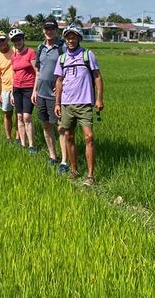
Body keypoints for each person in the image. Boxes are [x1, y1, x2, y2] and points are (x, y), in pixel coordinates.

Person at [54, 25, 104, 185]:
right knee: (69, 136)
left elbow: (97, 77)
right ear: (65, 39)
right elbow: (59, 81)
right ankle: (74, 171)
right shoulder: (62, 58)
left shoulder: (87, 55)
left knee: (89, 137)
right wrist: (57, 102)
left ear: (79, 39)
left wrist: (99, 99)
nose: (70, 40)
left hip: (84, 103)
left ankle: (90, 176)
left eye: (74, 37)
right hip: (67, 104)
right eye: (68, 37)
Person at [32, 18, 67, 168]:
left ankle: (64, 161)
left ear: (56, 31)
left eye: (52, 29)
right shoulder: (40, 48)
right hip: (41, 94)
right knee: (46, 125)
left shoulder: (62, 48)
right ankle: (53, 155)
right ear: (43, 30)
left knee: (60, 127)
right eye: (46, 29)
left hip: (56, 95)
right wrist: (35, 90)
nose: (49, 31)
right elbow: (38, 72)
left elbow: (70, 69)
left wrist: (63, 85)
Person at [9, 28, 38, 152]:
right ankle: (22, 144)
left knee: (27, 117)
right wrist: (11, 92)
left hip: (28, 88)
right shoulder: (14, 56)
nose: (17, 42)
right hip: (17, 89)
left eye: (19, 39)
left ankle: (32, 145)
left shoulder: (31, 53)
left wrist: (35, 90)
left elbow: (38, 72)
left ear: (23, 39)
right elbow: (13, 74)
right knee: (19, 116)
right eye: (15, 41)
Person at [0, 30, 16, 144]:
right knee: (7, 114)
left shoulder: (16, 50)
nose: (1, 43)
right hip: (5, 89)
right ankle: (8, 137)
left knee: (20, 115)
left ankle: (19, 137)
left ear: (7, 39)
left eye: (3, 40)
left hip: (19, 87)